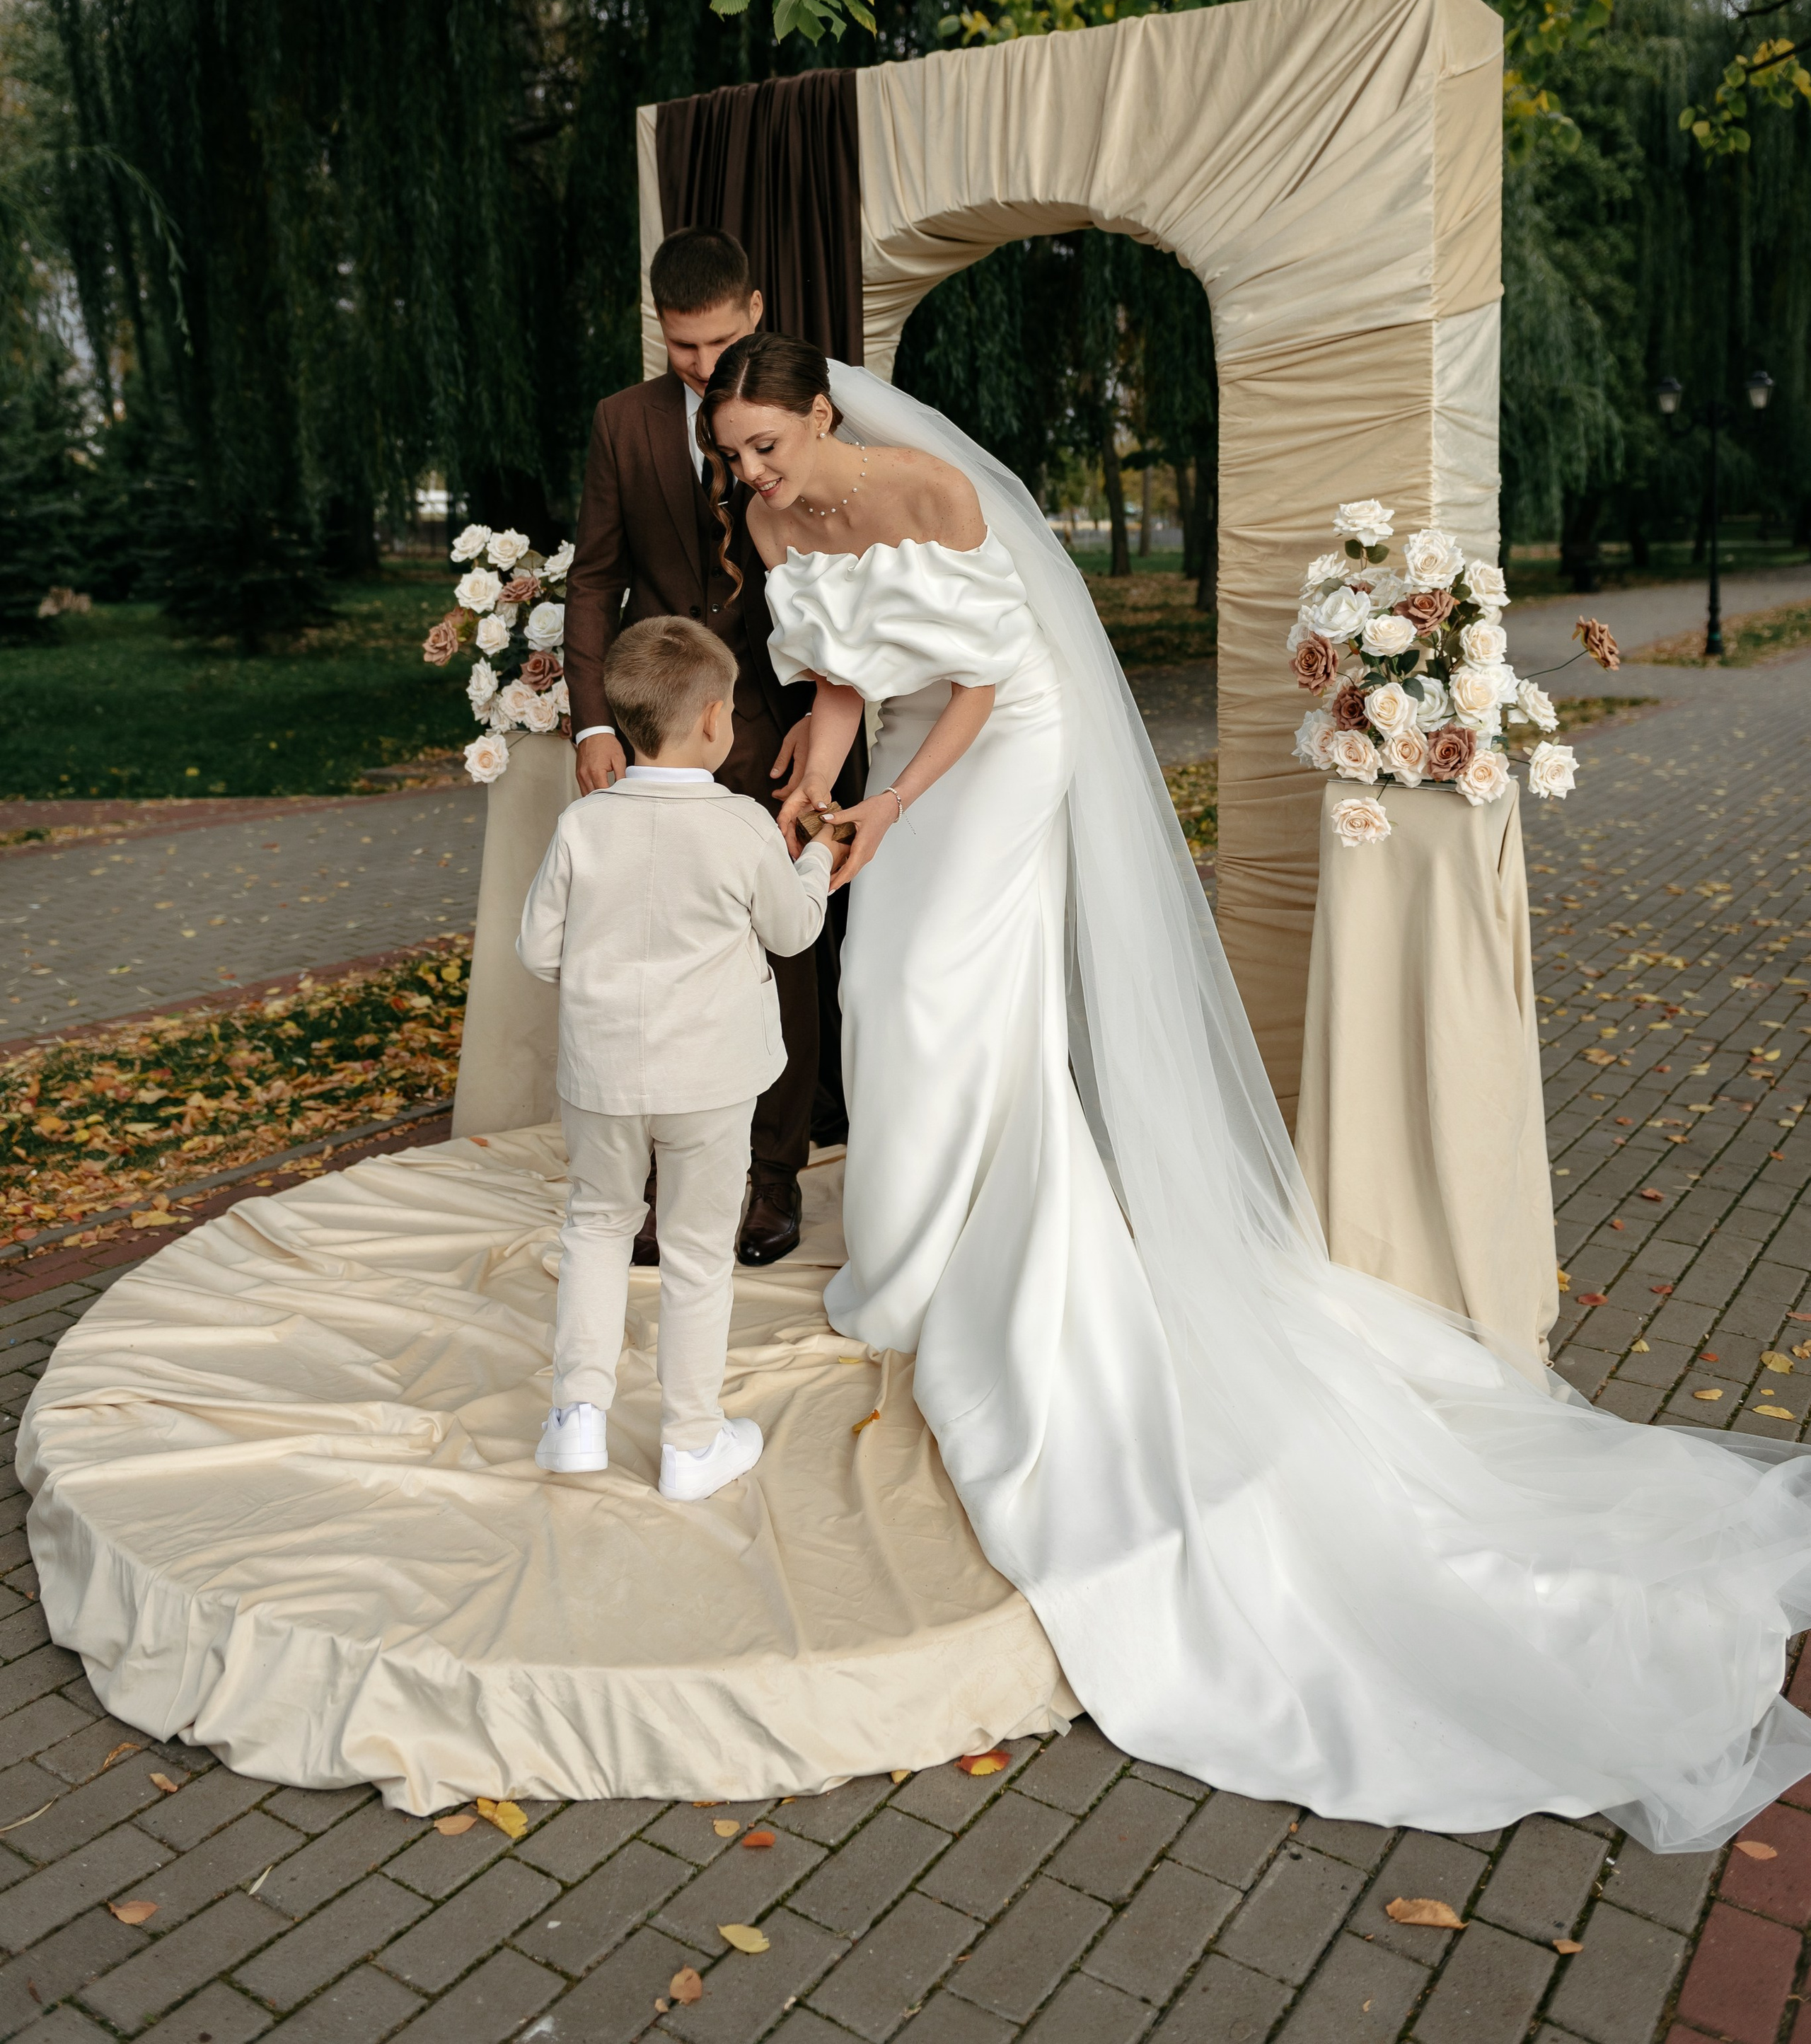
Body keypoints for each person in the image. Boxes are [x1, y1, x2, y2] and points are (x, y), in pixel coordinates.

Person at [699, 329, 1811, 1857]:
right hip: (898, 765)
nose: (753, 474)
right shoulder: (768, 524)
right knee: (886, 989)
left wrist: (890, 798)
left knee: (928, 983)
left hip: (996, 752)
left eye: (769, 443)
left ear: (820, 415)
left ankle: (957, 1250)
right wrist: (818, 789)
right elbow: (838, 677)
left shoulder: (933, 495)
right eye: (736, 456)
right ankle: (912, 1249)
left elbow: (988, 674)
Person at [516, 616, 838, 1499]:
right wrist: (814, 862)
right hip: (711, 1079)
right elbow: (792, 930)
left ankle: (576, 1418)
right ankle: (691, 1443)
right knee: (698, 1252)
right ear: (711, 720)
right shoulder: (740, 827)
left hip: (602, 1075)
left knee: (596, 1227)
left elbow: (539, 950)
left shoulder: (583, 827)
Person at [562, 225, 833, 1269]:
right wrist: (594, 720)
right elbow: (594, 576)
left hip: (771, 711)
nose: (702, 363)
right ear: (659, 330)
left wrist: (819, 705)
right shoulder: (620, 423)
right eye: (681, 346)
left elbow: (832, 567)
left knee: (780, 946)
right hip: (650, 722)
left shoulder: (801, 408)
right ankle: (658, 1176)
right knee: (647, 944)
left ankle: (774, 1174)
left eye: (717, 340)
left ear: (755, 311)